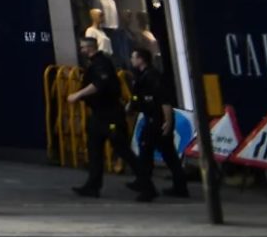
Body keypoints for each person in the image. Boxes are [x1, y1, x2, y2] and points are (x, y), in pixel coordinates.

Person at [127, 45, 189, 200]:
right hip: (152, 118)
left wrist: (167, 121)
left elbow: (164, 100)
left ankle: (148, 189)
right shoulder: (141, 76)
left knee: (149, 152)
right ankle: (177, 186)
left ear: (141, 59)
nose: (131, 60)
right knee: (164, 154)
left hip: (157, 120)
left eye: (134, 57)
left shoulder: (152, 77)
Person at [72, 38, 130, 197]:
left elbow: (99, 84)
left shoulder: (101, 63)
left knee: (122, 148)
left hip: (109, 113)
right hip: (98, 113)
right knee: (94, 150)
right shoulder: (93, 63)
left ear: (90, 48)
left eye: (83, 47)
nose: (81, 50)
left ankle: (146, 183)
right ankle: (92, 185)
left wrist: (78, 94)